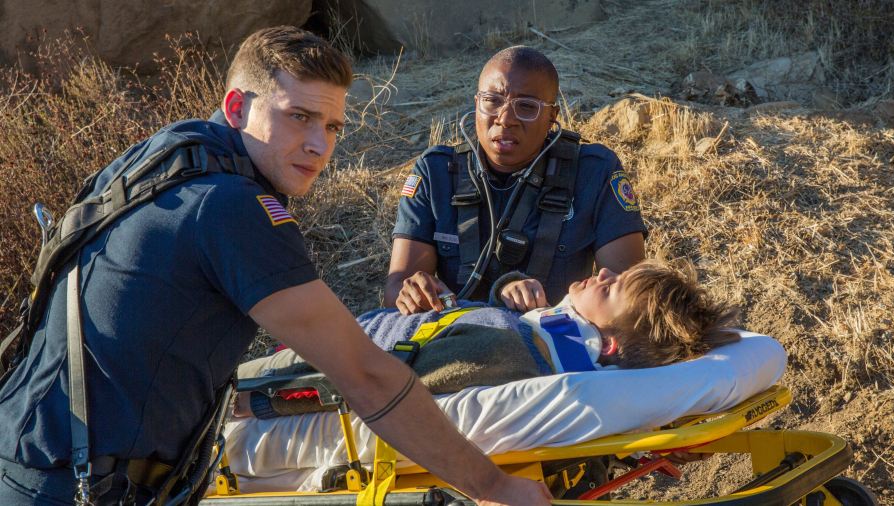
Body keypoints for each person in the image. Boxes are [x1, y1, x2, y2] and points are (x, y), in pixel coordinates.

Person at [0, 27, 551, 506]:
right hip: (69, 486)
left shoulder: (160, 163)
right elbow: (365, 376)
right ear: (237, 107)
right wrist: (493, 486)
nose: (318, 145)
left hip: (35, 460)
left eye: (332, 126)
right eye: (299, 117)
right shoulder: (229, 206)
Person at [236, 259, 742, 419]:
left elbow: (374, 382)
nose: (604, 271)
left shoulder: (508, 351)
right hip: (342, 339)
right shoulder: (530, 337)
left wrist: (254, 400)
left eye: (611, 288)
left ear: (606, 344)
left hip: (300, 367)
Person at [386, 46, 647, 315]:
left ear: (552, 117)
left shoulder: (593, 173)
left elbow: (629, 298)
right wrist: (413, 293)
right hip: (456, 332)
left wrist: (549, 310)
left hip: (557, 334)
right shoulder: (436, 172)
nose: (505, 119)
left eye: (526, 106)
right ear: (476, 104)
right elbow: (395, 291)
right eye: (492, 100)